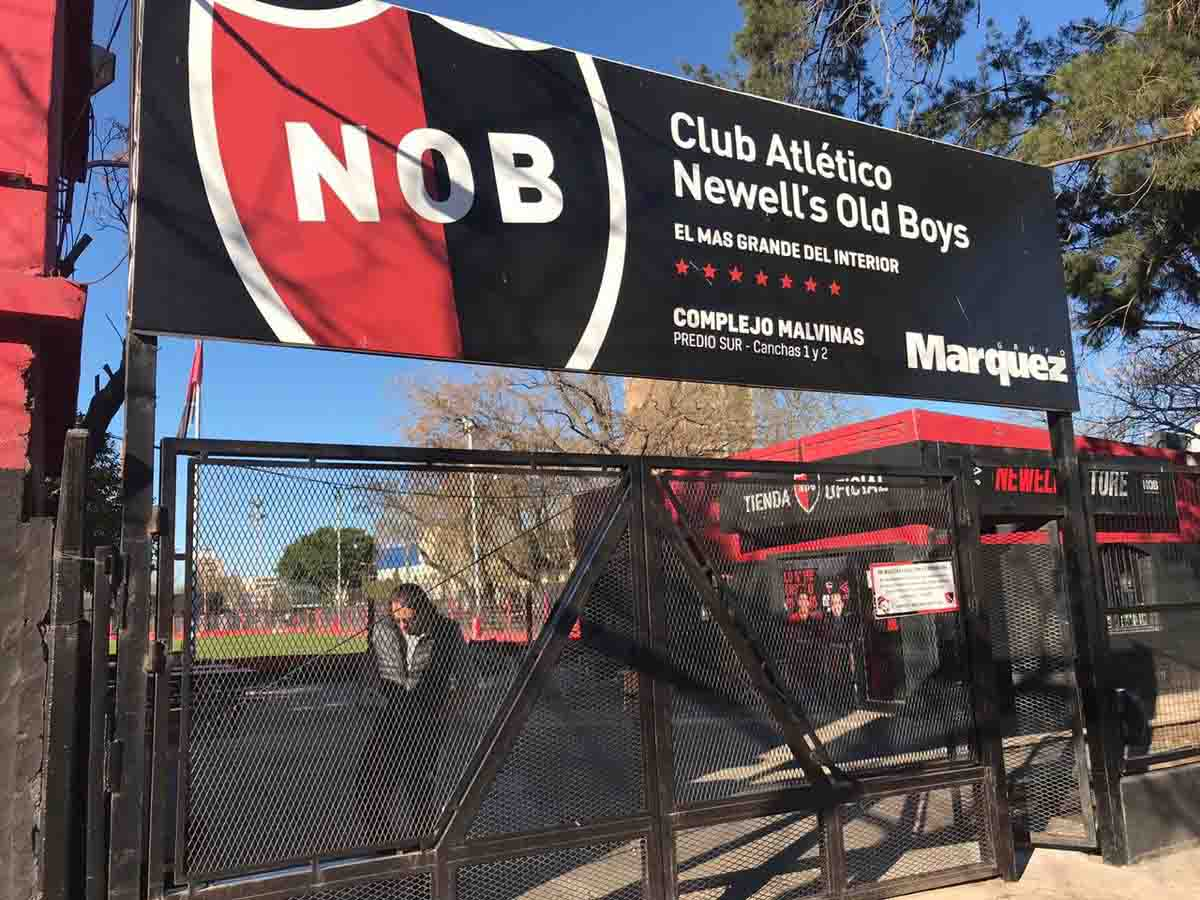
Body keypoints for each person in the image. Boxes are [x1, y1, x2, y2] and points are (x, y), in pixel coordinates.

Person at [357, 583, 465, 847]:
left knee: (419, 793)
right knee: (367, 788)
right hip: (389, 721)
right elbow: (370, 663)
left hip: (426, 724)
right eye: (398, 620)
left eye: (408, 619)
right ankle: (385, 849)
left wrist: (445, 712)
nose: (403, 626)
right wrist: (370, 687)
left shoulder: (447, 633)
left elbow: (468, 682)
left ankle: (425, 856)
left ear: (425, 611)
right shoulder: (383, 630)